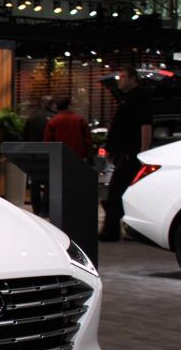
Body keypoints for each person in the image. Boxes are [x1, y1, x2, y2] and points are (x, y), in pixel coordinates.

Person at [99, 66, 153, 241]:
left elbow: (146, 126)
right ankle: (120, 229)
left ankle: (111, 231)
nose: (119, 80)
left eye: (122, 77)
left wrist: (142, 154)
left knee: (116, 193)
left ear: (132, 79)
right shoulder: (126, 99)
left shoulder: (140, 98)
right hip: (123, 153)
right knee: (118, 193)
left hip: (131, 155)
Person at [23, 95, 54, 216]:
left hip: (33, 155)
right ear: (52, 104)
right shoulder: (53, 118)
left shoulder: (32, 118)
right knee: (49, 182)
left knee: (35, 182)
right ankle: (45, 209)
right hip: (50, 154)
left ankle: (36, 209)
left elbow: (24, 137)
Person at [44, 96, 91, 161]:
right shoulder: (80, 119)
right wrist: (84, 153)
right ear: (69, 105)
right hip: (78, 156)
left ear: (57, 107)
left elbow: (48, 142)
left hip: (59, 157)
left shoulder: (53, 121)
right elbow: (87, 139)